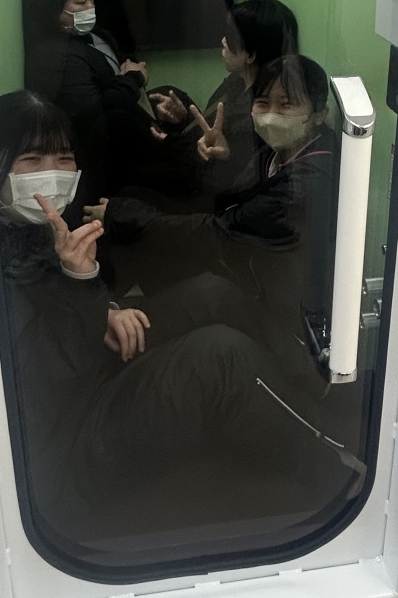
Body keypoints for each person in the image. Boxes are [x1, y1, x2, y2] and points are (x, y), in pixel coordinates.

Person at [0, 89, 355, 548]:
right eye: (32, 159)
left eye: (63, 158)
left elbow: (63, 306)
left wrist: (103, 306)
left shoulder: (26, 226)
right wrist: (83, 288)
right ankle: (339, 474)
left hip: (86, 355)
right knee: (220, 356)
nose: (53, 173)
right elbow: (47, 380)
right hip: (67, 445)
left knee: (211, 292)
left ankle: (306, 385)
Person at [88, 56, 339, 397]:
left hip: (290, 330)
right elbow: (228, 203)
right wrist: (222, 160)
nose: (271, 115)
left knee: (205, 290)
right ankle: (112, 328)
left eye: (286, 105)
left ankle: (113, 350)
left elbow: (220, 229)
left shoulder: (307, 182)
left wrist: (122, 215)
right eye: (263, 103)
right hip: (252, 275)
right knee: (149, 224)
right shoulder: (280, 149)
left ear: (320, 114)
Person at [22, 0, 196, 197]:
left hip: (128, 119)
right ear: (54, 10)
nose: (91, 7)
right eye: (81, 2)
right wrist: (133, 79)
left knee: (171, 95)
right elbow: (99, 116)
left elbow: (119, 71)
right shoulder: (57, 58)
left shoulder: (96, 36)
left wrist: (137, 81)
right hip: (109, 153)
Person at [151, 0, 300, 201]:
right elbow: (211, 131)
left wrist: (173, 143)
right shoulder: (238, 81)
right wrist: (184, 119)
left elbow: (215, 184)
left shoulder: (257, 116)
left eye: (231, 37)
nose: (223, 41)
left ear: (250, 55)